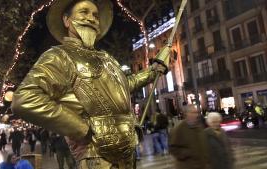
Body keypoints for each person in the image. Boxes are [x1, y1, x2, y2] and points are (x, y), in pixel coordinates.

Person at [11, 0, 170, 168]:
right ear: (66, 20)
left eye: (95, 15)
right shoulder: (59, 56)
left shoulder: (106, 58)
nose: (91, 18)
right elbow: (24, 99)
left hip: (127, 154)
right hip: (95, 157)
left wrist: (152, 71)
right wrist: (81, 128)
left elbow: (124, 85)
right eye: (84, 12)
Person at [169, 104, 211, 169]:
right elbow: (172, 148)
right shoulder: (179, 128)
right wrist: (186, 153)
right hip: (187, 165)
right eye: (193, 113)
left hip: (201, 165)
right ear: (186, 114)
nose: (196, 115)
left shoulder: (199, 126)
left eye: (196, 113)